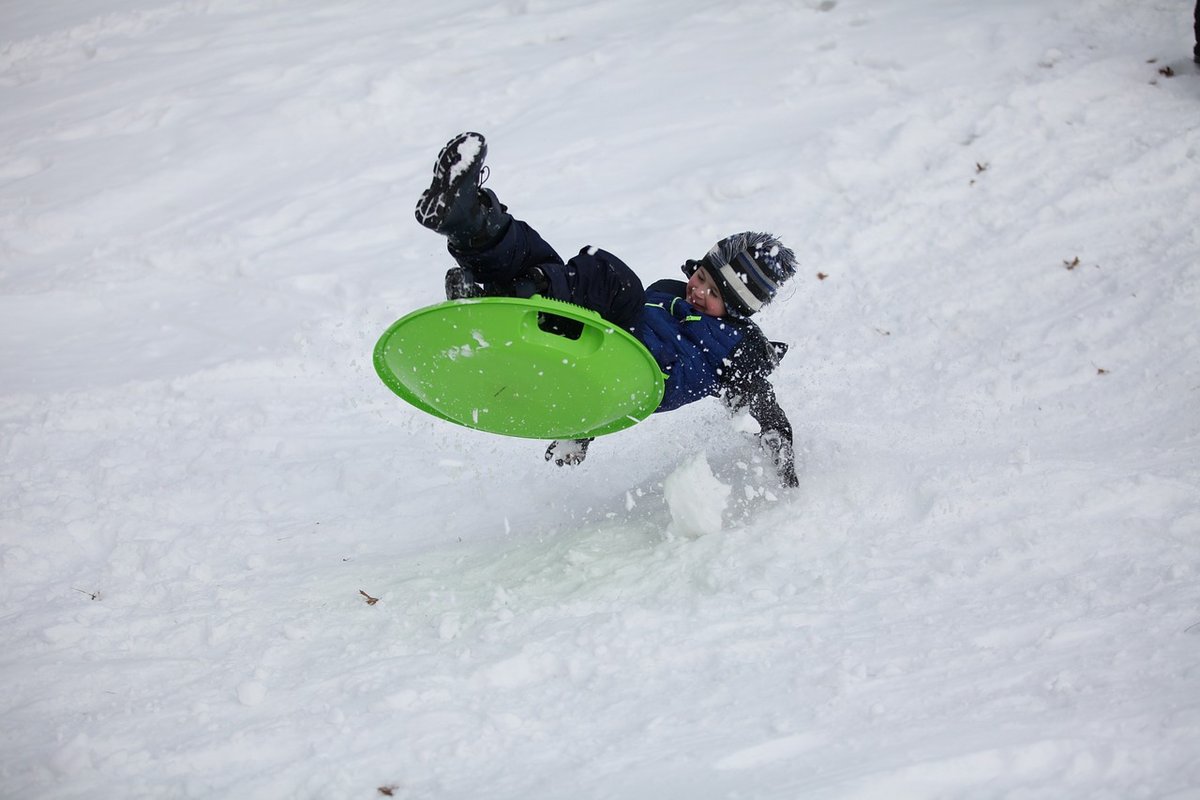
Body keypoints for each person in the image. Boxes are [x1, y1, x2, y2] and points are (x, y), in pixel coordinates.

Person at [414, 132, 800, 487]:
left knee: (613, 279)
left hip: (637, 374)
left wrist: (784, 466)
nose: (698, 291)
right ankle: (466, 221)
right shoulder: (669, 293)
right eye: (701, 276)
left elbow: (762, 406)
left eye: (714, 292)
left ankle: (521, 293)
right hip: (596, 342)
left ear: (736, 309)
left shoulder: (738, 348)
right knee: (539, 256)